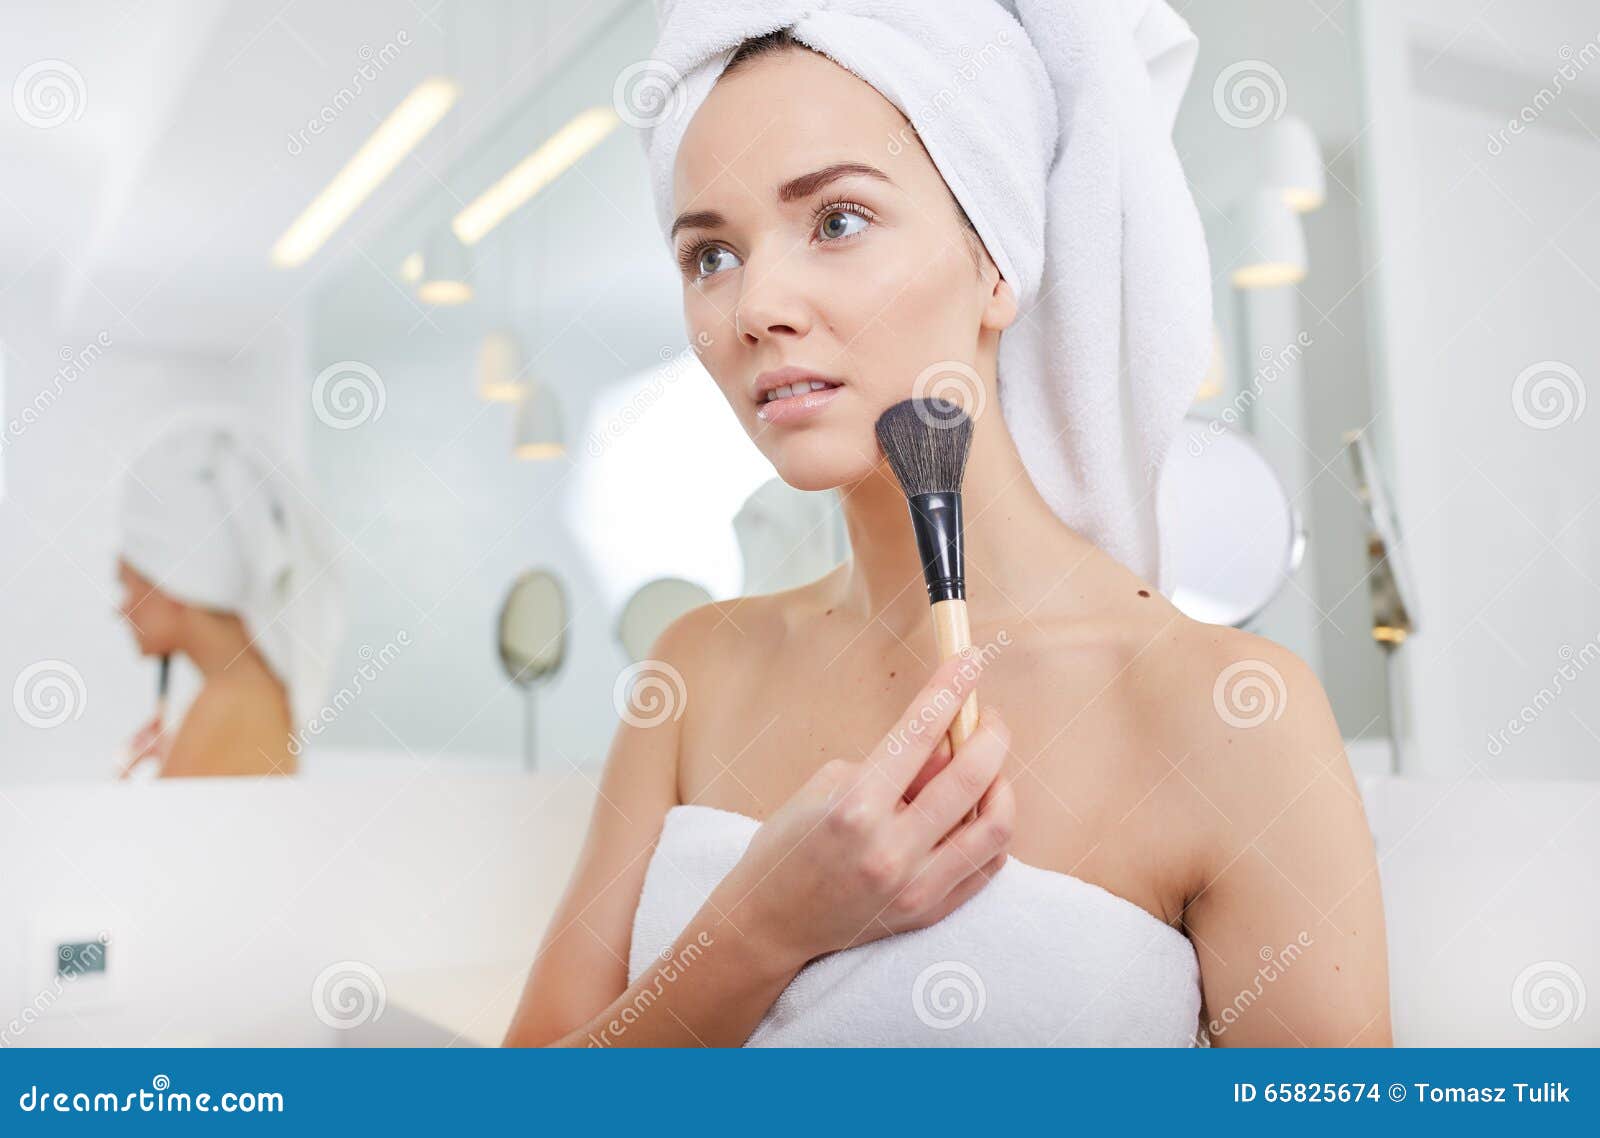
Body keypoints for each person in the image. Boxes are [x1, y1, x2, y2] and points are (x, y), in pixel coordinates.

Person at [505, 7, 1390, 1047]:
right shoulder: (692, 673)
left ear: (996, 261)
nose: (754, 304)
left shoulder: (1229, 715)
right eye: (709, 254)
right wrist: (756, 931)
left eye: (836, 220)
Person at [116, 418, 342, 777]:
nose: (122, 609)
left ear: (175, 583)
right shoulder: (247, 693)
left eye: (128, 584)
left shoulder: (230, 706)